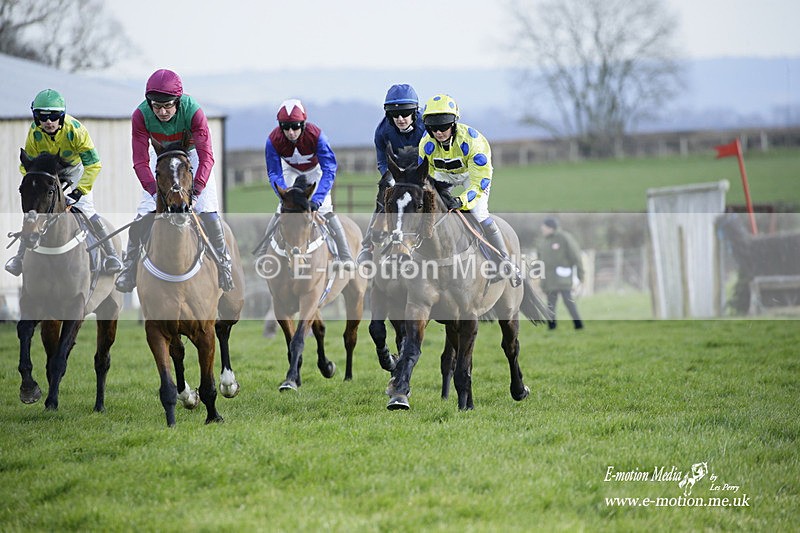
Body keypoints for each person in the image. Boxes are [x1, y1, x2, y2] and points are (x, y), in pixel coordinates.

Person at [115, 69, 234, 293]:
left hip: (192, 154)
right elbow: (140, 161)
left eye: (168, 105)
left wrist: (196, 190)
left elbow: (206, 156)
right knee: (143, 213)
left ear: (178, 101)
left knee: (207, 210)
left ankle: (224, 263)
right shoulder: (140, 116)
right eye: (156, 106)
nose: (161, 111)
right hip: (161, 156)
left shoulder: (193, 111)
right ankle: (129, 268)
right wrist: (154, 192)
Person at [6, 89, 123, 276]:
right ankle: (19, 258)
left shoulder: (76, 131)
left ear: (62, 116)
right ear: (36, 118)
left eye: (53, 116)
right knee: (35, 208)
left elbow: (94, 164)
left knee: (86, 207)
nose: (48, 122)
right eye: (42, 117)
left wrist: (79, 191)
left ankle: (111, 255)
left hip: (74, 170)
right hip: (47, 173)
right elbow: (28, 164)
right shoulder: (34, 132)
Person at [418, 93, 521, 286]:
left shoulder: (474, 142)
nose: (439, 132)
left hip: (472, 176)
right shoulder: (426, 144)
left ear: (454, 123)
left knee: (478, 212)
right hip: (443, 175)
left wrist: (461, 201)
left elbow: (478, 183)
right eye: (433, 128)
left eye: (443, 126)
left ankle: (505, 261)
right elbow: (423, 177)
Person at [255, 98, 354, 271]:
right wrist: (284, 195)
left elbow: (329, 169)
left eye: (295, 126)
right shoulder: (272, 140)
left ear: (303, 124)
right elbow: (274, 172)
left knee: (325, 210)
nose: (291, 132)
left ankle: (345, 256)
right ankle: (264, 253)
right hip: (290, 170)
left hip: (315, 171)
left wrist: (317, 199)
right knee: (282, 210)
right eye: (285, 127)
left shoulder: (317, 136)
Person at [358, 83, 426, 264]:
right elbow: (382, 161)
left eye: (405, 113)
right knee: (385, 190)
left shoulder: (426, 126)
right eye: (395, 115)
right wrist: (390, 178)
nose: (401, 118)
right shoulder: (382, 131)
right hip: (399, 170)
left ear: (415, 112)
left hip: (424, 169)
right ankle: (367, 246)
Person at [538, 217, 585, 330]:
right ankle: (552, 327)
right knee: (550, 304)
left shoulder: (564, 237)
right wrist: (542, 281)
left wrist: (580, 275)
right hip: (549, 279)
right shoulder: (543, 241)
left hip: (562, 278)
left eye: (544, 228)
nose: (542, 230)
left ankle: (578, 325)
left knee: (569, 302)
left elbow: (576, 256)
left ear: (551, 228)